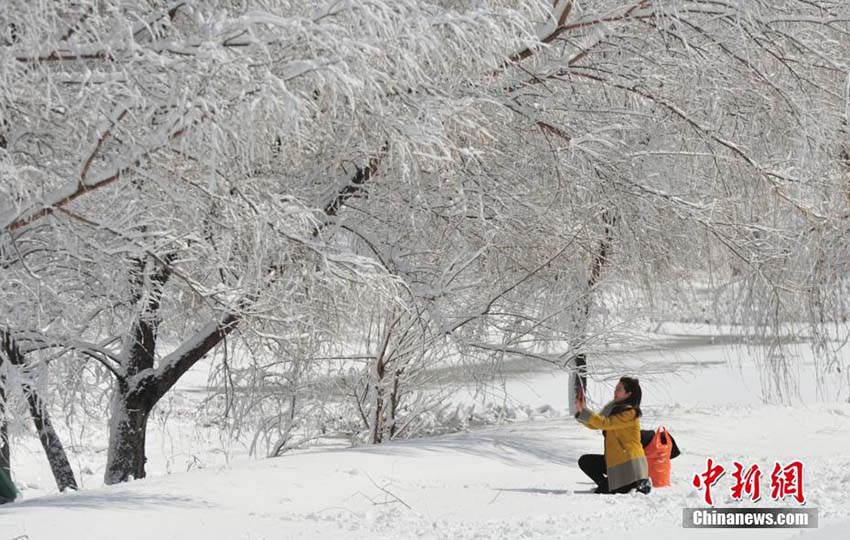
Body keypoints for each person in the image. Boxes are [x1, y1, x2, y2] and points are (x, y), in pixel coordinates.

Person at [575, 376, 651, 494]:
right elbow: (596, 424)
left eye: (619, 389)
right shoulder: (613, 409)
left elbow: (604, 423)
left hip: (629, 465)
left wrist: (586, 412)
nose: (615, 391)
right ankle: (606, 483)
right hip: (615, 461)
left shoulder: (630, 413)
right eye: (615, 388)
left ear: (628, 394)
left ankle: (638, 483)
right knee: (586, 461)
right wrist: (581, 412)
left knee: (603, 492)